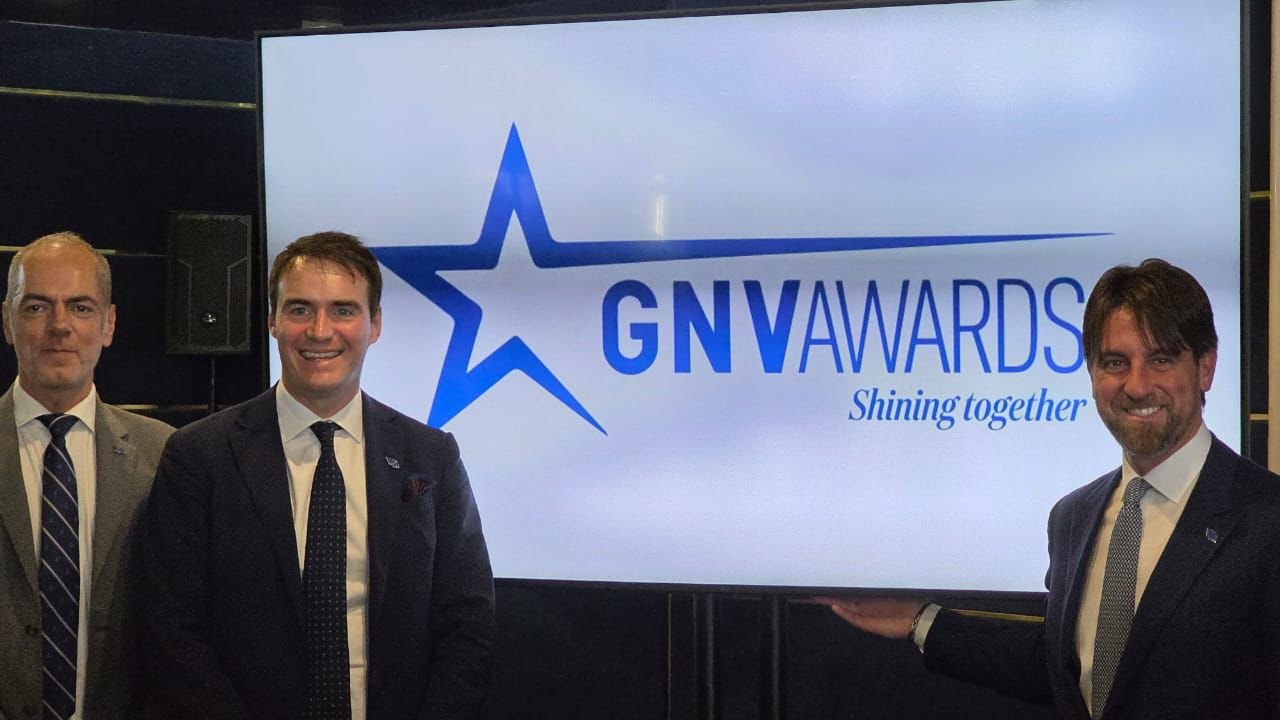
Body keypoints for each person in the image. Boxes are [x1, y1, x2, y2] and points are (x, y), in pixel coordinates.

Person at [825, 259, 1280, 719]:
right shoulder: (1073, 518)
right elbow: (1064, 669)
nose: (1138, 385)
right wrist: (920, 620)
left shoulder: (1268, 520)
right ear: (1092, 374)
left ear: (1205, 368)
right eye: (1115, 362)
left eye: (1161, 360)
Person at [136, 231, 495, 720]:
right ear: (272, 321)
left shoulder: (431, 457)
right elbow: (170, 626)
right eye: (300, 309)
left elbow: (467, 621)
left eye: (343, 310)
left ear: (374, 324)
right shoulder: (200, 456)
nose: (320, 331)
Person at [0, 232, 173, 720]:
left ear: (108, 323)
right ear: (7, 321)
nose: (60, 326)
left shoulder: (165, 455)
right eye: (37, 307)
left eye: (80, 307)